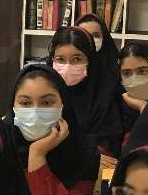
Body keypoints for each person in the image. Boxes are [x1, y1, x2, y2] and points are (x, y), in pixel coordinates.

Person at [4, 65, 102, 195]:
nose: (35, 112)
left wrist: (37, 155)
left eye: (47, 103)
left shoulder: (83, 153)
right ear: (13, 106)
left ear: (63, 104)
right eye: (25, 103)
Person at [47, 26, 124, 166]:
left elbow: (108, 148)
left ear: (90, 60)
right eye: (60, 59)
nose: (67, 66)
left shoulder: (104, 95)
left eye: (77, 59)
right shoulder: (43, 91)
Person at [118, 41, 148, 134]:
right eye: (127, 73)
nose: (134, 79)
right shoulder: (112, 108)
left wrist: (145, 108)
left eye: (142, 71)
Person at [76, 13, 120, 79]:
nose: (90, 39)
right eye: (84, 35)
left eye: (96, 35)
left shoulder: (117, 71)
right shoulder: (69, 67)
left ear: (104, 38)